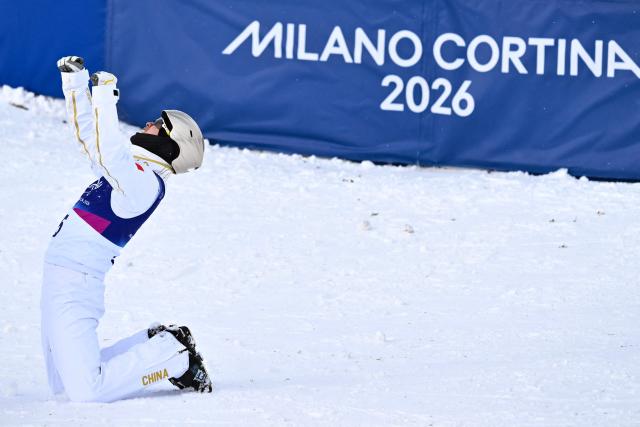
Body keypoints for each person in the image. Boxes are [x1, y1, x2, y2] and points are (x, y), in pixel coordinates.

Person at [41, 56, 212, 402]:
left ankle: (174, 355)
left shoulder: (145, 185)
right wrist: (75, 84)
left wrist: (105, 94)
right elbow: (93, 143)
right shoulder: (130, 172)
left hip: (77, 283)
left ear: (169, 146)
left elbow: (107, 151)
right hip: (58, 274)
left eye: (158, 126)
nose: (149, 123)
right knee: (62, 386)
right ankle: (154, 341)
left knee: (88, 392)